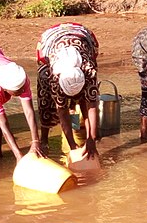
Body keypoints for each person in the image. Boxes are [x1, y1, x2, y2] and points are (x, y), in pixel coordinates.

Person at [35, 23, 100, 159]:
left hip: (83, 38)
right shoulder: (55, 76)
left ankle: (89, 134)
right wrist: (72, 146)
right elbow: (62, 111)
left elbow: (92, 106)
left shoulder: (89, 71)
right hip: (50, 41)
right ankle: (44, 140)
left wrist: (91, 140)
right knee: (45, 100)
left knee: (84, 100)